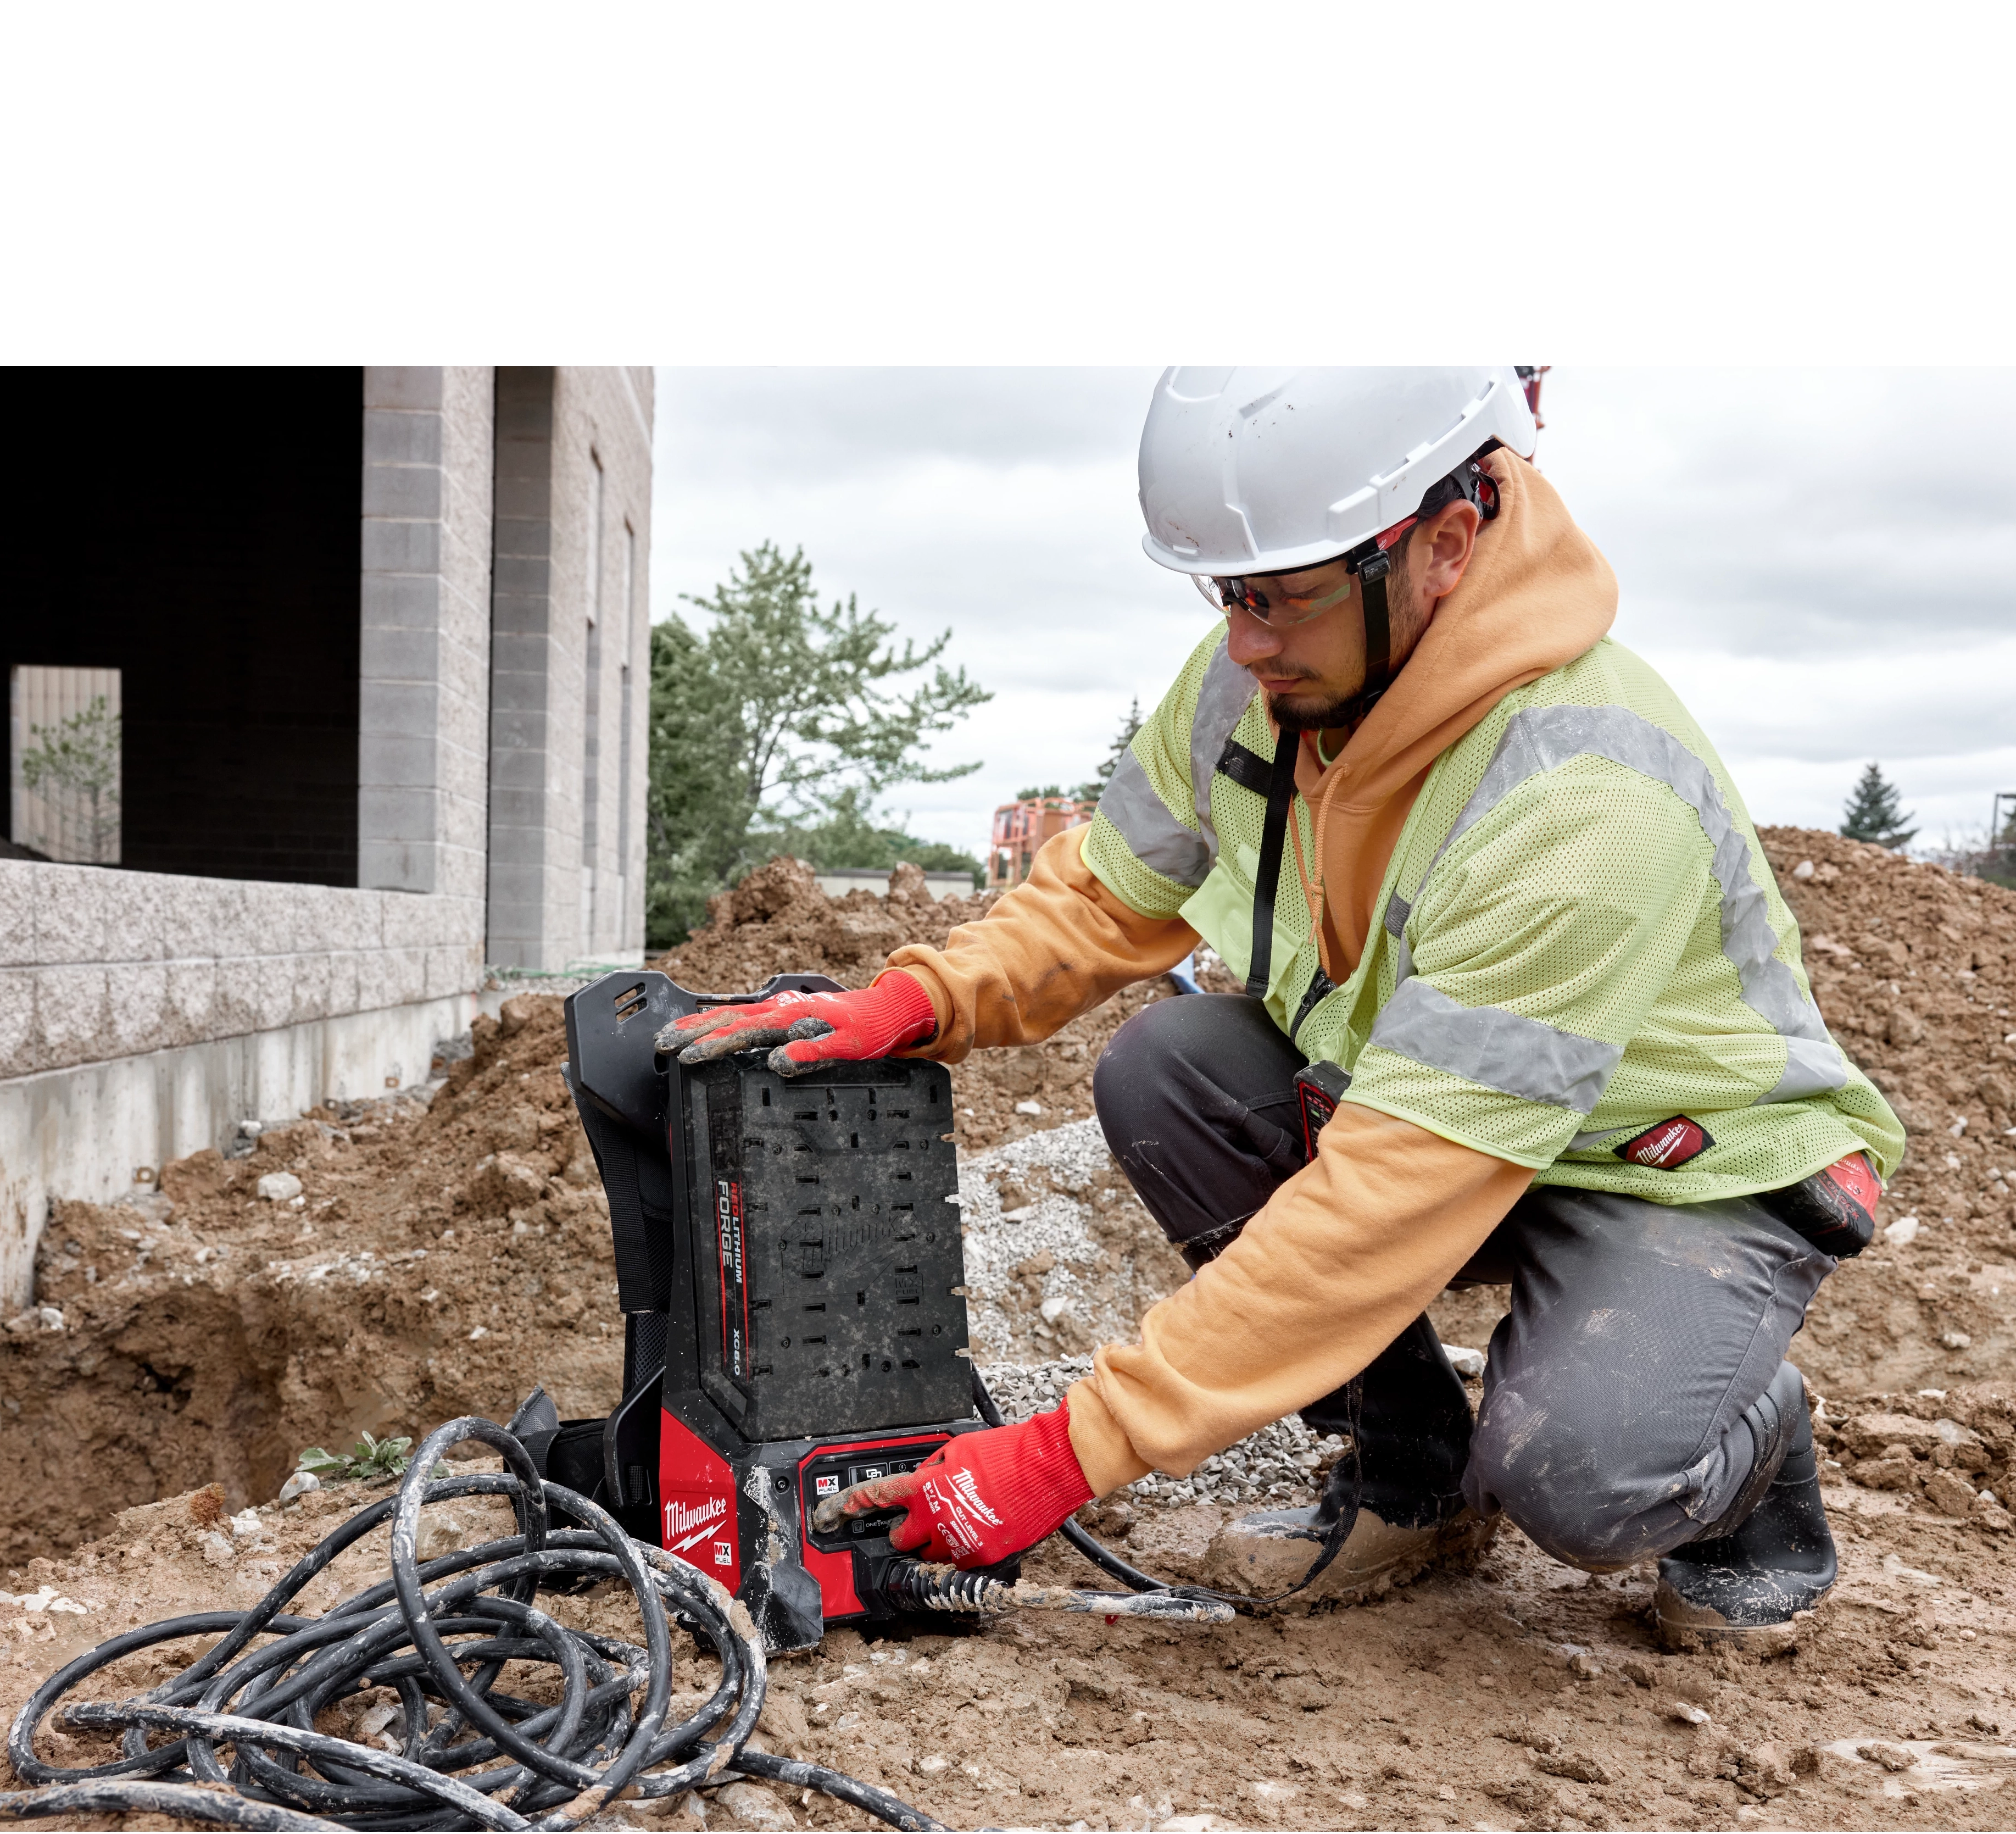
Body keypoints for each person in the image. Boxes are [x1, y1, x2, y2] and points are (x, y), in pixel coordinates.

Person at [656, 365, 1900, 1650]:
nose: (1243, 639)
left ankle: (1749, 1464)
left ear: (1444, 543)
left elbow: (1388, 1199)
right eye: (1226, 594)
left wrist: (1069, 1451)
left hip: (1671, 1166)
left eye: (1281, 597)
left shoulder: (1580, 794)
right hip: (1448, 1112)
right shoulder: (1263, 678)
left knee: (1581, 1472)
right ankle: (1413, 1472)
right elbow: (1109, 890)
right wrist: (918, 999)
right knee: (1171, 1070)